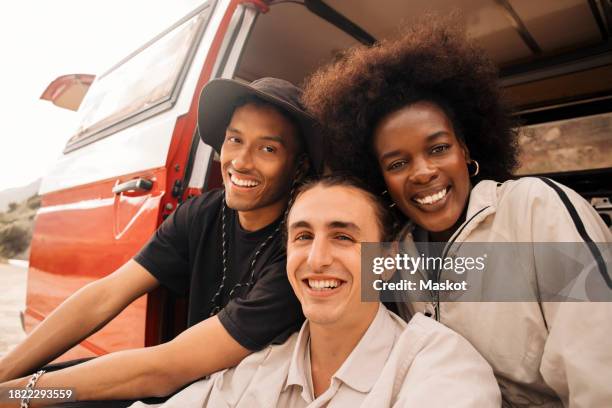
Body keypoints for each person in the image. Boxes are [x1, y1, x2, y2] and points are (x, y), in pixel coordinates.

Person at [302, 19, 612, 407]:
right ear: (380, 176)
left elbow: (601, 371)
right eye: (397, 164)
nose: (423, 172)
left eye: (438, 148)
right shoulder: (394, 253)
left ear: (466, 150)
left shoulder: (536, 208)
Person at [0, 77, 323, 407]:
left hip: (239, 396)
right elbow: (106, 294)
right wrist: (6, 375)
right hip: (179, 384)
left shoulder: (300, 250)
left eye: (267, 148)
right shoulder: (201, 212)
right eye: (234, 140)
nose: (240, 161)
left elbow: (164, 370)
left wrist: (23, 394)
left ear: (298, 168)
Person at [127, 175, 500, 408]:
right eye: (303, 236)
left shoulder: (443, 369)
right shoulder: (261, 366)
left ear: (386, 261)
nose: (317, 259)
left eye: (342, 236)